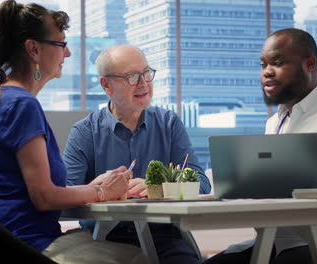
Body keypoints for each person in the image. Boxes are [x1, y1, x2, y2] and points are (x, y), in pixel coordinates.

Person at [0, 1, 147, 263]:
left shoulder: (2, 98)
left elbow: (28, 190)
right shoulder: (22, 105)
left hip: (5, 238)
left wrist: (92, 187)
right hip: (28, 243)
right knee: (138, 257)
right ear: (33, 49)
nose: (67, 54)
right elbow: (44, 196)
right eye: (61, 44)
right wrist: (103, 193)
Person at [203, 28, 317, 264]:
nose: (267, 73)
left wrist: (279, 188)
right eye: (263, 65)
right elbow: (269, 182)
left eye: (277, 63)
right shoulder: (275, 122)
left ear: (310, 64)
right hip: (277, 242)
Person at [63, 44, 211, 264]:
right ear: (106, 85)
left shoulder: (168, 124)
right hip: (103, 238)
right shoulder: (84, 132)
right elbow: (65, 200)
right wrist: (100, 190)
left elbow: (202, 184)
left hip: (162, 236)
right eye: (132, 76)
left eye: (146, 73)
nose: (144, 84)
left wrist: (159, 188)